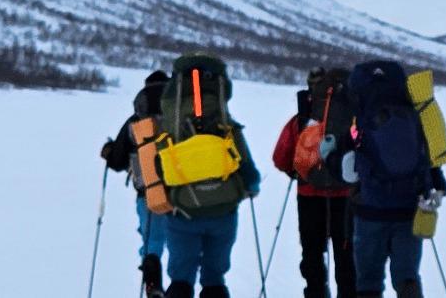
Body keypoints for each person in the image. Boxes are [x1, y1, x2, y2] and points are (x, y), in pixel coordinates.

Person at [162, 53, 264, 298]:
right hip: (223, 210)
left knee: (180, 278)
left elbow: (156, 162)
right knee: (214, 278)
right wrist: (251, 184)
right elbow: (247, 166)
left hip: (181, 211)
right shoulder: (226, 124)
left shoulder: (170, 124)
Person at [344, 60, 446, 298]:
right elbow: (428, 154)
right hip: (409, 209)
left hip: (369, 210)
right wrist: (437, 184)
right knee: (407, 277)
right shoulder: (414, 114)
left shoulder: (359, 118)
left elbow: (344, 158)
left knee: (369, 281)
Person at [271, 68, 358, 298]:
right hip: (347, 196)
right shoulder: (354, 118)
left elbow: (280, 157)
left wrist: (298, 171)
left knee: (312, 252)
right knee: (347, 254)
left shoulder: (303, 117)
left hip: (309, 194)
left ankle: (316, 292)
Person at [102, 69, 173, 298]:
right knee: (187, 247)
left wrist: (110, 151)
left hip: (149, 192)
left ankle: (153, 285)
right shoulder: (180, 117)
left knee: (153, 243)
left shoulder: (136, 122)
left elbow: (117, 161)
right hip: (183, 192)